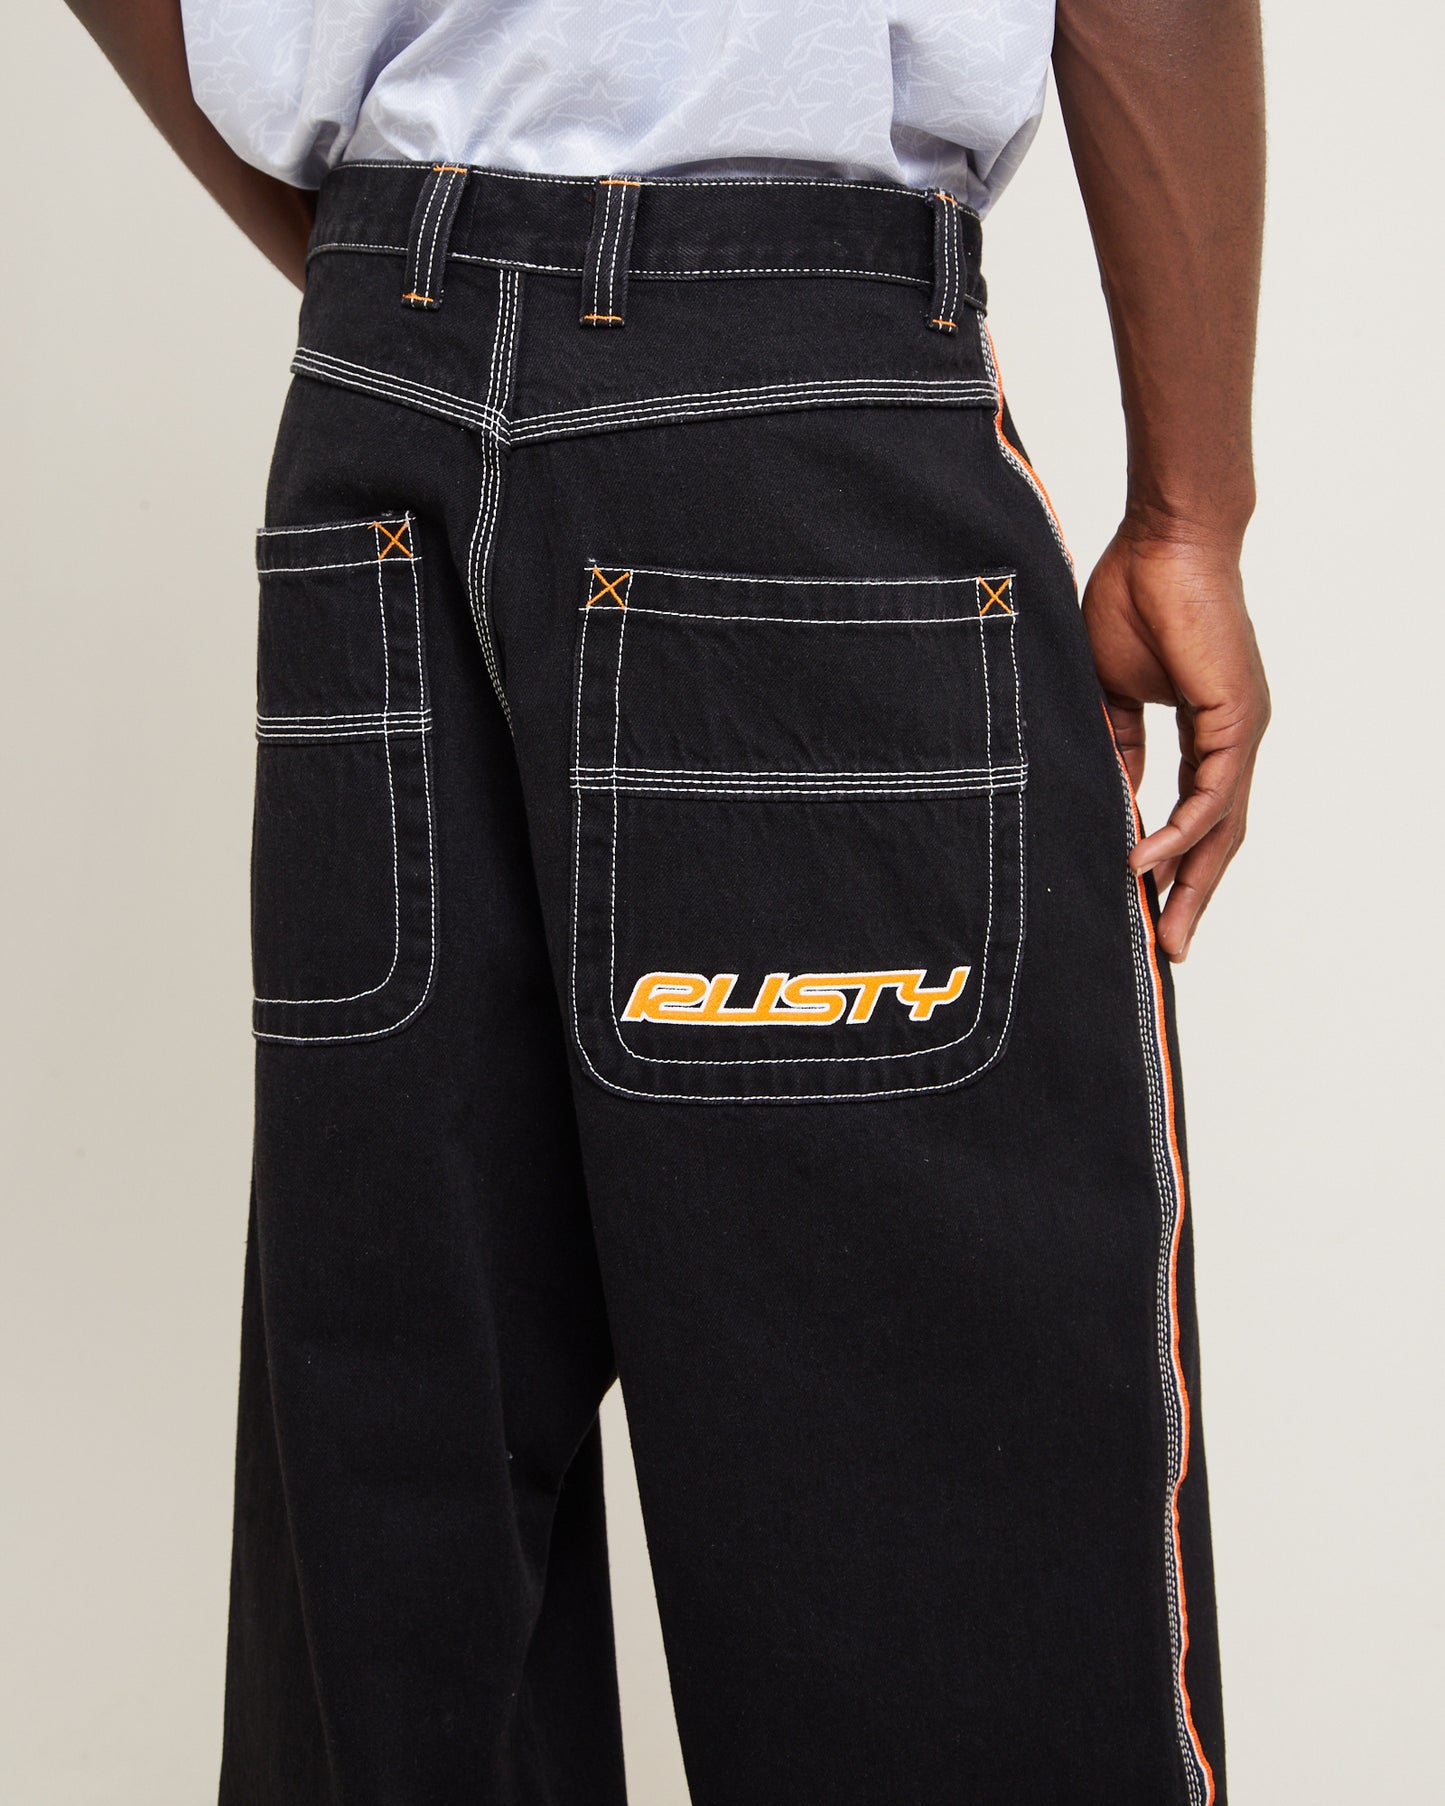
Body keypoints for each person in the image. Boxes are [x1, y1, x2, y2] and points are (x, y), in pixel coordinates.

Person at [66, 3, 1269, 1801]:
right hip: (783, 396)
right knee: (942, 1516)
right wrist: (1188, 515)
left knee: (407, 1520)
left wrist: (404, 291)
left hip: (374, 405)